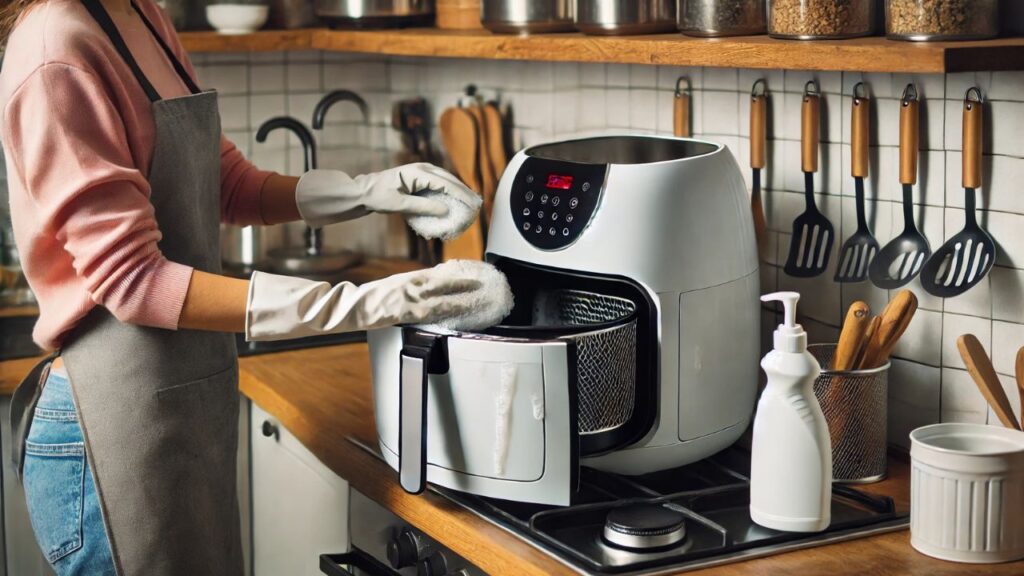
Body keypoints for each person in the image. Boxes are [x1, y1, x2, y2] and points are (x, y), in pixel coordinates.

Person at [0, 1, 512, 574]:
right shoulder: (56, 51)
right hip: (108, 434)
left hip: (181, 406)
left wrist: (363, 191)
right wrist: (371, 301)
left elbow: (226, 184)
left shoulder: (138, 13)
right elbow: (134, 281)